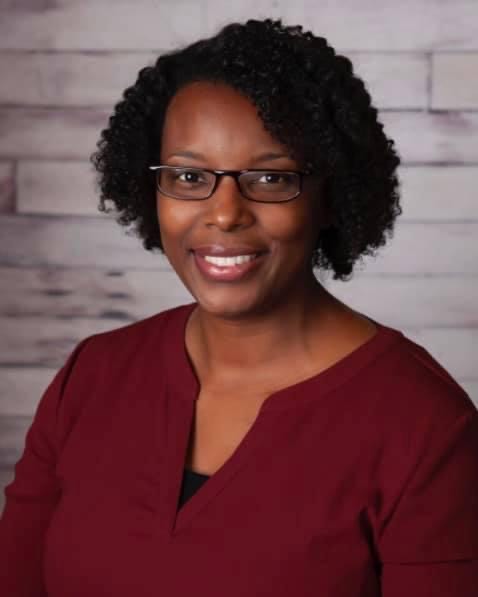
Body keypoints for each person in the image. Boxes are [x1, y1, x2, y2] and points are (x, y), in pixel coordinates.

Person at [0, 17, 477, 597]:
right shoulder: (93, 376)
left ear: (329, 196)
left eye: (270, 178)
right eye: (187, 175)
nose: (224, 212)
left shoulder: (424, 425)